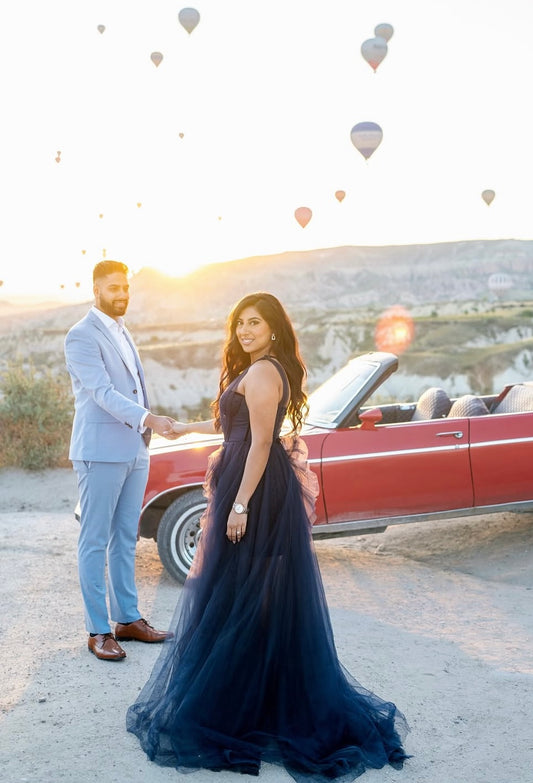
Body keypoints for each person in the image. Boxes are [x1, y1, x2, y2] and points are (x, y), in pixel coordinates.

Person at [127, 292, 410, 780]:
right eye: (239, 323)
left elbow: (260, 442)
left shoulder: (263, 371)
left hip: (254, 488)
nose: (244, 331)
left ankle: (248, 706)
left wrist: (239, 504)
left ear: (274, 328)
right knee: (243, 595)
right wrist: (182, 428)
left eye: (254, 323)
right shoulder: (256, 368)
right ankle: (251, 698)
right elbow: (232, 426)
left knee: (240, 594)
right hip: (246, 478)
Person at [64, 260, 177, 662]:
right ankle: (98, 630)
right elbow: (102, 391)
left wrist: (144, 432)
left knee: (125, 538)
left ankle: (127, 619)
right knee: (94, 540)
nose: (122, 293)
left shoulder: (123, 331)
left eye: (125, 287)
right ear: (96, 290)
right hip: (99, 451)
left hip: (134, 449)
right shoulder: (81, 336)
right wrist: (150, 419)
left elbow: (134, 387)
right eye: (113, 288)